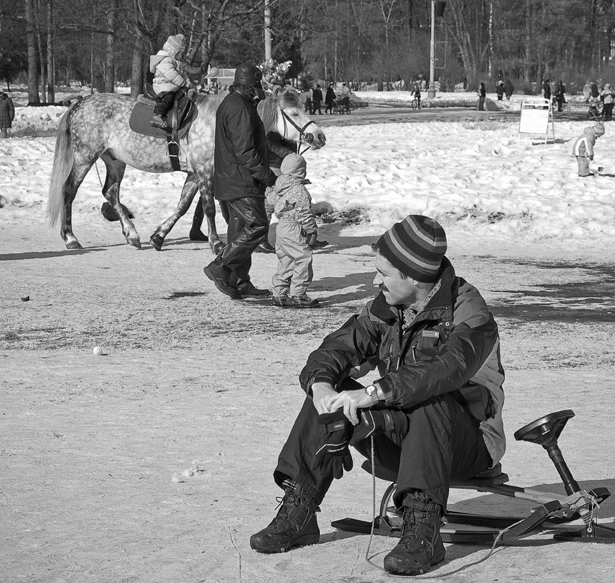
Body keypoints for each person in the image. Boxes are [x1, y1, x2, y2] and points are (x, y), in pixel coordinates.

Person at [250, 215, 506, 576]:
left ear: (414, 276)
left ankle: (423, 532)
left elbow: (446, 370)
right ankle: (300, 511)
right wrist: (322, 385)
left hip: (467, 446)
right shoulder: (389, 307)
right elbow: (340, 346)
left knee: (434, 398)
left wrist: (373, 394)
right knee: (332, 392)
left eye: (383, 273)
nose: (374, 280)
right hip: (404, 441)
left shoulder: (469, 312)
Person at [203, 62, 276, 300]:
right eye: (256, 85)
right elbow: (245, 151)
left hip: (233, 179)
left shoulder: (236, 103)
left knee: (240, 231)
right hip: (241, 181)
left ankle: (239, 280)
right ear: (248, 86)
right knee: (258, 226)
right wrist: (267, 176)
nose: (258, 90)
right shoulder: (240, 108)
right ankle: (221, 266)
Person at [269, 154, 320, 308]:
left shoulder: (280, 187)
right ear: (302, 172)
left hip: (280, 227)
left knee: (286, 260)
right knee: (303, 258)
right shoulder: (299, 190)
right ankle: (298, 294)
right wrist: (311, 230)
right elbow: (304, 212)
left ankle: (279, 294)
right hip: (293, 227)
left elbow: (270, 201)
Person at [149, 34, 190, 128]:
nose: (181, 55)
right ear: (173, 52)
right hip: (163, 85)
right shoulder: (165, 60)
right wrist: (183, 83)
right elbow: (171, 74)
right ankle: (157, 114)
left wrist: (188, 83)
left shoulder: (177, 63)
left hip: (171, 85)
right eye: (180, 53)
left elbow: (183, 74)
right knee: (169, 97)